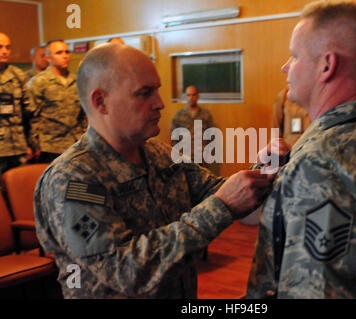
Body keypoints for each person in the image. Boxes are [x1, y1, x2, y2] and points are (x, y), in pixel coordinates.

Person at [34, 43, 275, 298]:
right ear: (101, 101)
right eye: (144, 93)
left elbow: (215, 190)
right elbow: (124, 269)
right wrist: (220, 208)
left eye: (157, 91)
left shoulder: (157, 153)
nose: (160, 104)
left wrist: (265, 169)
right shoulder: (75, 178)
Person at [247, 0, 356, 298]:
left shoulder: (324, 160)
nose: (285, 66)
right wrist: (288, 171)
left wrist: (304, 172)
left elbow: (317, 290)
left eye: (294, 56)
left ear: (327, 65)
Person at [27, 39, 87, 163]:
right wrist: (35, 144)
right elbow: (31, 116)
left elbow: (84, 115)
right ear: (48, 58)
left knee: (75, 181)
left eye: (66, 52)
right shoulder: (38, 82)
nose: (65, 56)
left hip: (75, 144)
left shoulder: (78, 80)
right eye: (59, 53)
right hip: (49, 146)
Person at [0, 32, 31, 175]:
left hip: (17, 146)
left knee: (17, 188)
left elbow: (29, 112)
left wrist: (30, 144)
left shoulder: (18, 75)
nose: (5, 51)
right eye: (0, 47)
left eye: (8, 47)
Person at [170, 86, 214, 170]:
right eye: (188, 95)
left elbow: (211, 137)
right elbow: (174, 139)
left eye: (193, 95)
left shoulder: (206, 115)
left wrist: (209, 155)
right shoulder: (178, 115)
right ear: (185, 97)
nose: (191, 98)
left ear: (197, 96)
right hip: (184, 157)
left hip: (202, 158)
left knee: (204, 182)